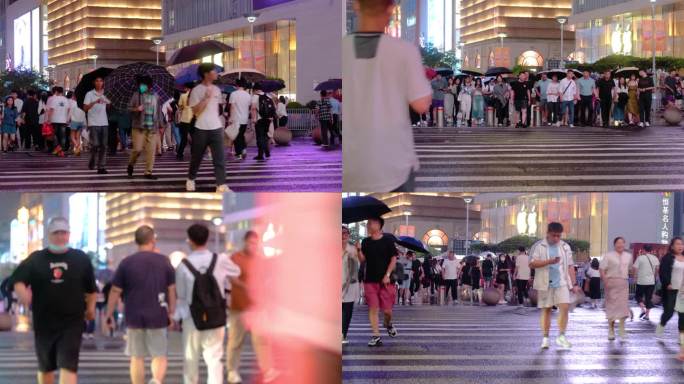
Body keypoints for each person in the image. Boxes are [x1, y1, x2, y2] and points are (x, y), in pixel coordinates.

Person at [343, 0, 431, 192]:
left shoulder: (340, 49)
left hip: (350, 164)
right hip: (393, 165)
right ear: (391, 9)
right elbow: (421, 104)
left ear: (356, 5)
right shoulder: (405, 51)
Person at [11, 217, 97, 384]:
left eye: (63, 232)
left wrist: (91, 310)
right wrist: (23, 293)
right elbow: (18, 279)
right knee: (46, 367)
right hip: (44, 322)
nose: (60, 236)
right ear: (49, 235)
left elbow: (91, 290)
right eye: (56, 232)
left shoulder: (80, 259)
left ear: (69, 234)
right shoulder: (36, 259)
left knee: (68, 364)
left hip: (72, 322)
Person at [103, 226, 176, 384]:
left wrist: (108, 314)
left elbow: (115, 290)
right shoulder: (164, 261)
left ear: (136, 241)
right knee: (159, 354)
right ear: (152, 240)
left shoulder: (126, 263)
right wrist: (171, 312)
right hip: (158, 314)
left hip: (134, 316)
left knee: (137, 357)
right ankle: (156, 380)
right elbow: (171, 289)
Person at [175, 223, 241, 384]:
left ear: (190, 241)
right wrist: (225, 284)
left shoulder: (183, 266)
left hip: (192, 318)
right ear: (207, 239)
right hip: (216, 315)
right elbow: (237, 272)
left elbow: (181, 296)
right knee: (214, 359)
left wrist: (178, 318)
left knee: (191, 359)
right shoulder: (220, 259)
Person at [226, 230, 279, 384]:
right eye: (250, 243)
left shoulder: (261, 260)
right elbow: (232, 278)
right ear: (245, 242)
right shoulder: (235, 258)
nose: (253, 246)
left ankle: (268, 370)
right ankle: (232, 371)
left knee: (263, 340)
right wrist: (248, 287)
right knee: (235, 341)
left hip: (258, 308)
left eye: (256, 243)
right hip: (239, 307)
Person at [529, 222, 580, 350]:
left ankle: (561, 336)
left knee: (564, 307)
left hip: (562, 283)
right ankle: (545, 338)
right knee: (546, 310)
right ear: (548, 233)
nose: (556, 238)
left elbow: (570, 266)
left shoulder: (565, 247)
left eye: (559, 236)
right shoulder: (539, 246)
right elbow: (532, 264)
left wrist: (573, 284)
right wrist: (549, 261)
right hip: (545, 283)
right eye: (554, 235)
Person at [186, 63, 231, 192]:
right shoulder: (196, 90)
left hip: (216, 128)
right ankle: (190, 178)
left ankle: (221, 185)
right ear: (206, 74)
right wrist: (205, 98)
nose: (216, 73)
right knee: (197, 157)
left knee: (220, 158)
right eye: (214, 71)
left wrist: (220, 122)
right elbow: (195, 111)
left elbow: (217, 109)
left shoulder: (217, 89)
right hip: (201, 128)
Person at [357, 216, 398, 346]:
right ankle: (376, 335)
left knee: (387, 311)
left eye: (370, 223)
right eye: (368, 223)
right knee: (373, 308)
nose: (368, 225)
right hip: (370, 280)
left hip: (386, 281)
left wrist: (387, 274)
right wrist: (358, 249)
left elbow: (393, 259)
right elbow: (363, 260)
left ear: (379, 225)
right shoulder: (366, 242)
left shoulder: (388, 241)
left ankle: (388, 324)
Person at [127, 75, 163, 180]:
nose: (141, 86)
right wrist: (136, 109)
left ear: (149, 85)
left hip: (152, 127)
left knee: (151, 151)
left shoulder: (155, 96)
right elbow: (128, 108)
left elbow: (159, 111)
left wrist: (161, 125)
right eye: (140, 84)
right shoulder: (136, 95)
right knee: (137, 149)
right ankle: (131, 164)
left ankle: (148, 172)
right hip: (138, 127)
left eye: (143, 84)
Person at [599, 237, 632, 341]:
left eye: (622, 243)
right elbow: (602, 269)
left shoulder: (628, 256)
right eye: (618, 243)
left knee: (623, 307)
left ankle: (622, 331)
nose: (620, 245)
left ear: (624, 244)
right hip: (611, 283)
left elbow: (629, 269)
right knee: (612, 308)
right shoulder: (608, 256)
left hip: (623, 284)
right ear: (614, 244)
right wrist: (605, 282)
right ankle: (611, 330)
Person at [656, 237, 684, 340]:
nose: (680, 246)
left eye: (681, 244)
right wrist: (667, 283)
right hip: (671, 289)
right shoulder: (668, 258)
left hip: (682, 291)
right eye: (677, 244)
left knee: (683, 314)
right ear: (672, 246)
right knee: (669, 312)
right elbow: (663, 272)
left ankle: (681, 336)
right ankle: (661, 325)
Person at [84, 76, 111, 174]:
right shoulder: (89, 94)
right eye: (97, 80)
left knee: (104, 145)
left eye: (101, 80)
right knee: (95, 144)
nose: (99, 82)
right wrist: (95, 102)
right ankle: (92, 159)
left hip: (104, 122)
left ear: (103, 82)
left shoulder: (106, 93)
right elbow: (85, 108)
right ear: (94, 82)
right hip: (93, 123)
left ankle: (101, 167)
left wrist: (107, 103)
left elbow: (109, 106)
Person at [342, 226, 360, 344]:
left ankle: (343, 335)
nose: (344, 236)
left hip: (349, 285)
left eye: (346, 233)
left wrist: (357, 252)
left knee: (347, 310)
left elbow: (357, 267)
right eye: (341, 233)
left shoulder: (353, 249)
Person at [632, 244, 659, 321]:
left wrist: (635, 277)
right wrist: (654, 277)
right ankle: (647, 315)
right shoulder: (655, 258)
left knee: (638, 296)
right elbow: (657, 269)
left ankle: (643, 309)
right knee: (648, 298)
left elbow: (635, 268)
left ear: (643, 250)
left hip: (641, 281)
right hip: (651, 282)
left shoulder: (640, 258)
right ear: (651, 250)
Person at [228, 79, 252, 160]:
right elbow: (249, 107)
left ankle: (239, 154)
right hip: (244, 119)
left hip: (236, 118)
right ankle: (243, 149)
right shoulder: (248, 95)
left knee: (236, 137)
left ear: (237, 85)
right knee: (241, 135)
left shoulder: (233, 94)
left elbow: (232, 107)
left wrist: (231, 118)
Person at [47, 86, 71, 154]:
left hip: (54, 120)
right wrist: (67, 118)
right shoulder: (65, 99)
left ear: (56, 92)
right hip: (63, 120)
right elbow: (69, 109)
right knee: (63, 135)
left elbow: (52, 109)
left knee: (54, 135)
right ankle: (62, 149)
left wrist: (49, 119)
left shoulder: (54, 99)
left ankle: (56, 148)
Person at [176, 82, 194, 160]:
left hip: (184, 120)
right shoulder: (196, 96)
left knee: (184, 138)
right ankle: (194, 153)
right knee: (194, 138)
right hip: (193, 120)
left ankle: (180, 154)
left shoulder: (183, 96)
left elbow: (180, 107)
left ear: (187, 88)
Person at [66, 92, 85, 156]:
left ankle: (76, 145)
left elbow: (70, 112)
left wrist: (67, 120)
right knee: (78, 137)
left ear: (74, 97)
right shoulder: (83, 103)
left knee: (72, 136)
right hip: (81, 121)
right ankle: (78, 150)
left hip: (74, 121)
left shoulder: (73, 103)